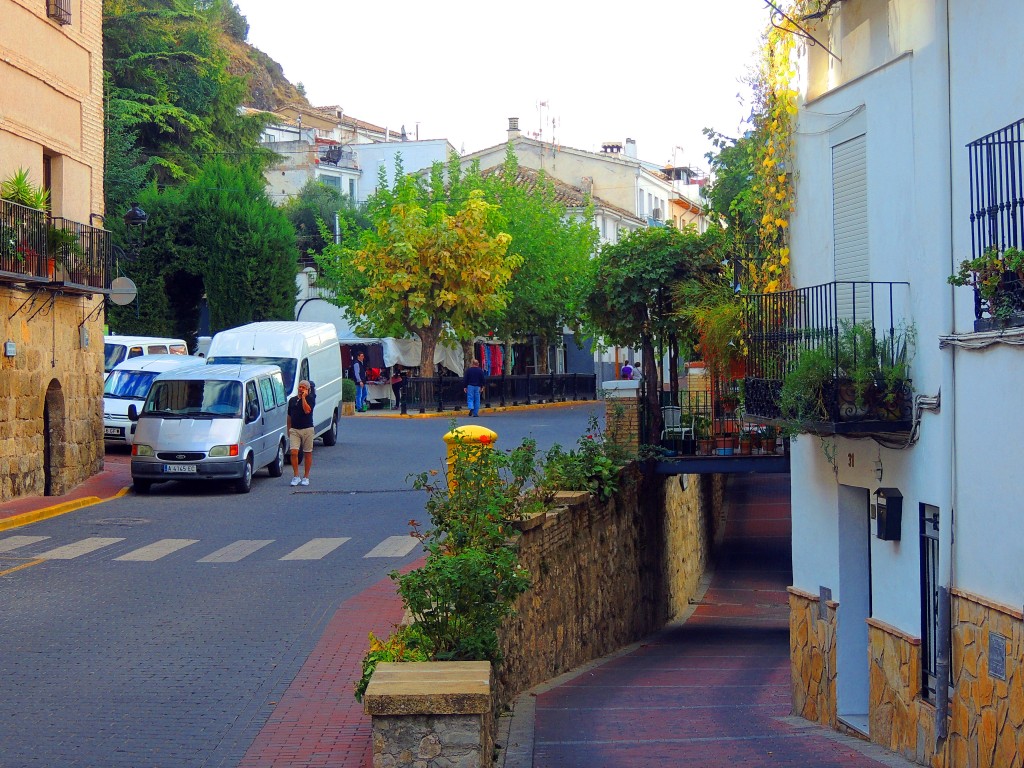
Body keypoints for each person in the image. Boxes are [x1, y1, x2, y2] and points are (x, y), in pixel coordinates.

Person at [287, 379, 316, 486]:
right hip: (295, 430)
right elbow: (289, 416)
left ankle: (306, 477)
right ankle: (296, 476)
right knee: (294, 452)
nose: (301, 389)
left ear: (308, 389)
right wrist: (289, 429)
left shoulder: (311, 399)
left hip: (307, 429)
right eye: (300, 387)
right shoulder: (292, 400)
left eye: (303, 387)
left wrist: (303, 397)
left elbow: (307, 410)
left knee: (307, 452)